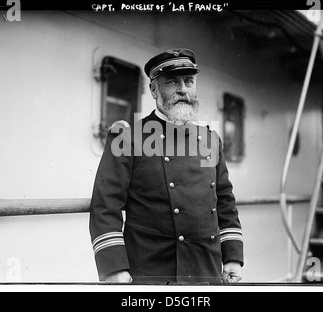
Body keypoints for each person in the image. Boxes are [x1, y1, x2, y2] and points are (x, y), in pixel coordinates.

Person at [89, 48, 244, 284]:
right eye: (172, 82)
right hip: (153, 271)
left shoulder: (209, 140)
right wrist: (114, 268)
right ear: (153, 89)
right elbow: (105, 204)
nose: (183, 89)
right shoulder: (127, 137)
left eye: (189, 81)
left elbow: (224, 201)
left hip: (207, 269)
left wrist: (232, 257)